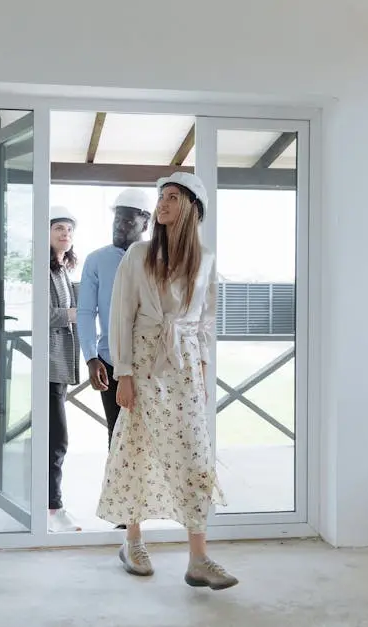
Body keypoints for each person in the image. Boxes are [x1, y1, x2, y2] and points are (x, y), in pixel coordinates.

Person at [96, 172, 238, 590]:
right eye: (161, 197)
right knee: (138, 450)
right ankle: (133, 540)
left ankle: (198, 557)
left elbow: (207, 321)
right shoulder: (138, 255)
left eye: (172, 197)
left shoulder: (206, 258)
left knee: (195, 456)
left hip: (186, 367)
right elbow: (120, 315)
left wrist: (203, 369)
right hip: (143, 366)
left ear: (191, 207)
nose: (162, 204)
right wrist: (123, 372)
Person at [76, 189, 153, 449]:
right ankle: (116, 491)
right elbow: (86, 311)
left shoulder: (157, 257)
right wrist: (90, 356)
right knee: (118, 436)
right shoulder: (96, 260)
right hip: (110, 362)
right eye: (116, 219)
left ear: (146, 221)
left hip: (151, 362)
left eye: (128, 220)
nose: (119, 226)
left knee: (151, 437)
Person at [48, 205, 82, 533]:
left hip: (60, 365)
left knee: (54, 438)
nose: (65, 234)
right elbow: (42, 315)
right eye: (59, 227)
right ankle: (53, 507)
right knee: (57, 439)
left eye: (69, 230)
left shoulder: (62, 271)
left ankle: (50, 505)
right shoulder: (45, 271)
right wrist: (72, 314)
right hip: (49, 365)